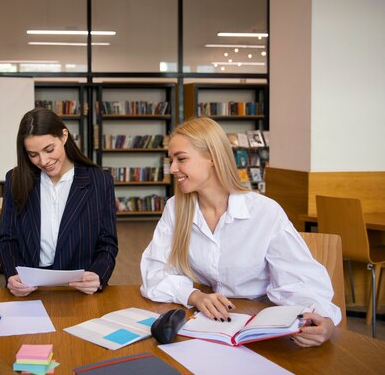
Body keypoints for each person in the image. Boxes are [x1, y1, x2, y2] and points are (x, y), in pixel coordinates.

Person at [140, 117, 341, 347]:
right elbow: (153, 273)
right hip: (211, 325)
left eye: (181, 159)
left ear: (213, 158)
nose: (173, 169)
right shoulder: (176, 208)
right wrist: (194, 296)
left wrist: (324, 320)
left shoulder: (265, 212)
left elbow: (300, 282)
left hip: (263, 325)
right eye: (171, 160)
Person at [0, 108, 118, 297]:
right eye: (33, 154)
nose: (44, 161)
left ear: (64, 136)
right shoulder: (16, 178)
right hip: (29, 290)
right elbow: (6, 239)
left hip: (79, 290)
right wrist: (13, 274)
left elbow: (107, 243)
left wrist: (98, 275)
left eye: (49, 149)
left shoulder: (99, 181)